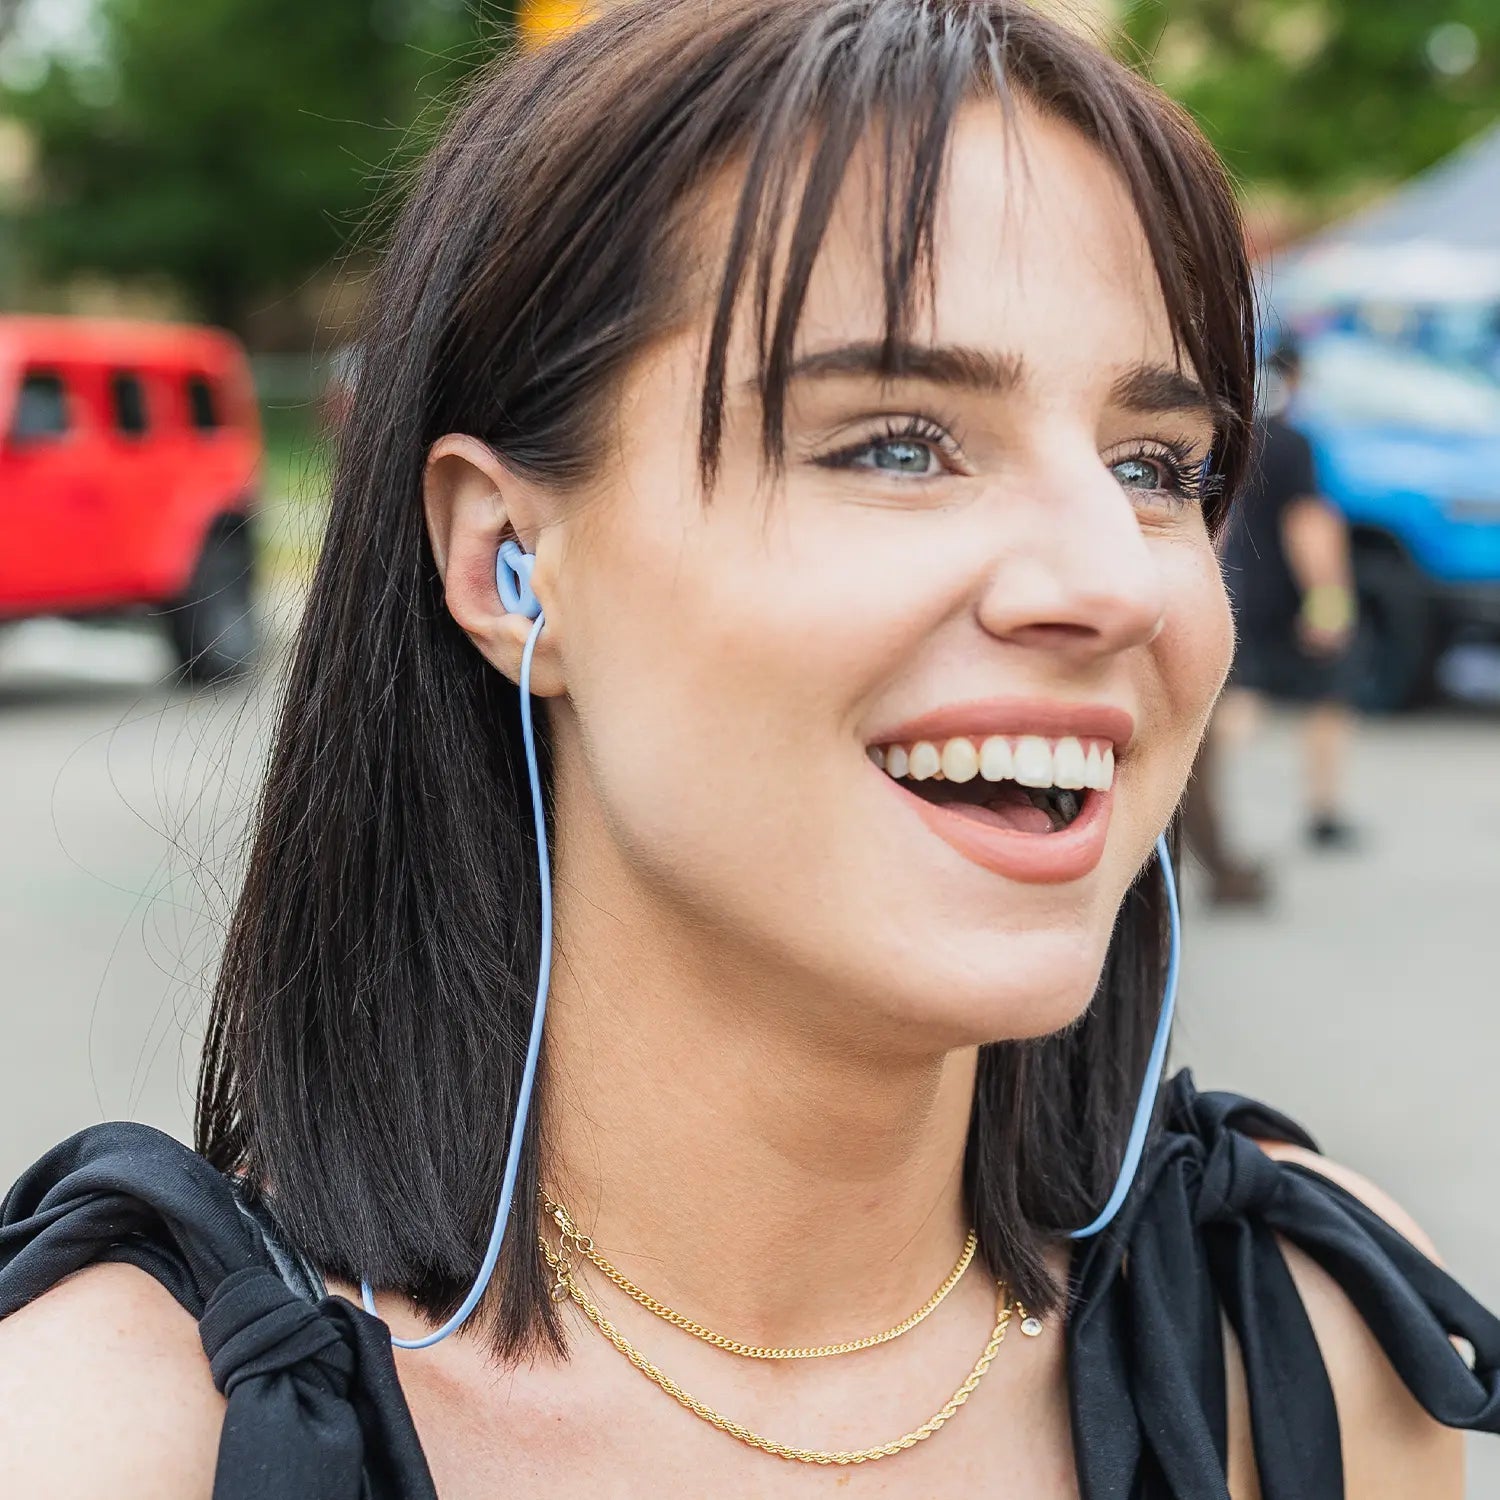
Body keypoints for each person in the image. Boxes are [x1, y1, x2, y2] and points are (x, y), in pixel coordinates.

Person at [2, 4, 1497, 1497]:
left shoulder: (1305, 1361)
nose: (1113, 579)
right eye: (897, 443)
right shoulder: (121, 1438)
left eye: (1158, 466)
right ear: (512, 560)